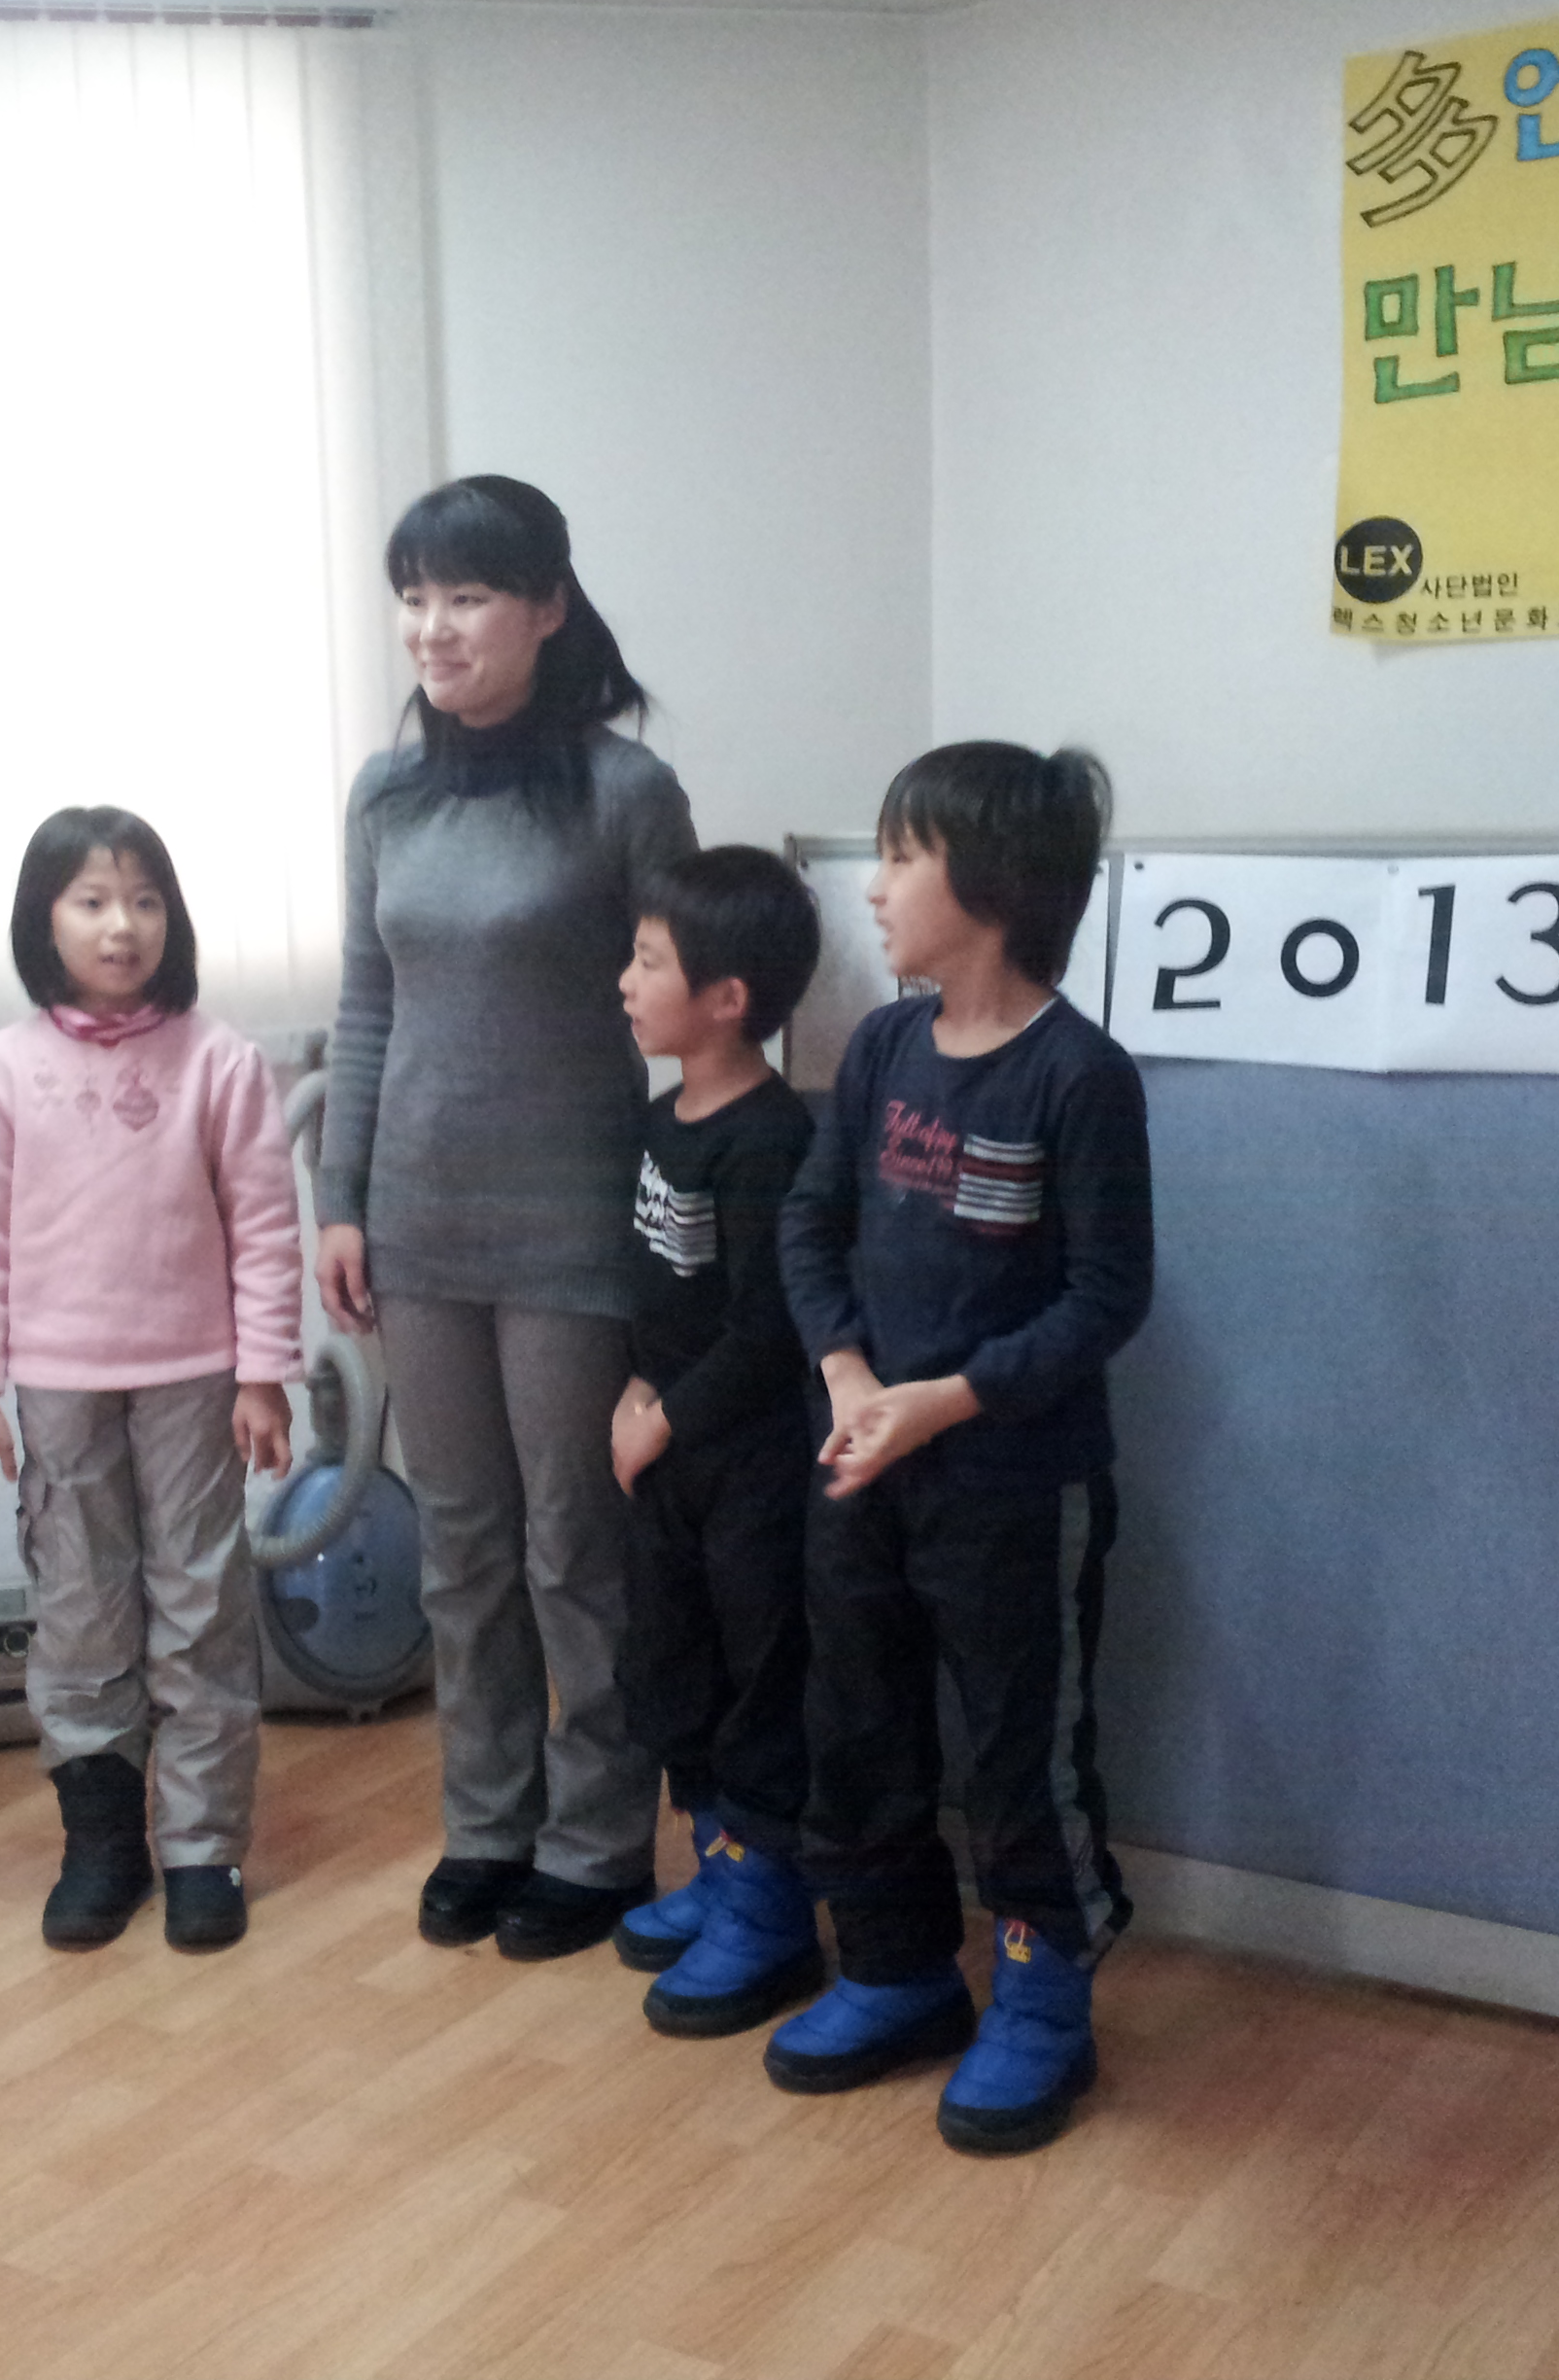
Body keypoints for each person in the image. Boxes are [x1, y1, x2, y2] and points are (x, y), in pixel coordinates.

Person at [316, 474, 699, 1958]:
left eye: (466, 595)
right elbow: (367, 1003)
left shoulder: (624, 790)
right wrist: (341, 1200)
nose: (433, 626)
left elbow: (688, 998)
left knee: (573, 1544)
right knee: (462, 1546)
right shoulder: (384, 794)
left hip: (571, 1221)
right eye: (413, 597)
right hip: (418, 1220)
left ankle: (596, 1841)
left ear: (545, 607)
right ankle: (486, 1823)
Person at [766, 742, 1152, 2157]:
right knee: (858, 1724)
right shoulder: (881, 1048)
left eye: (900, 858)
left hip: (1011, 1487)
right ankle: (895, 1970)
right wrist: (850, 1375)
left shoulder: (1080, 1076)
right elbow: (810, 1225)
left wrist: (947, 1400)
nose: (872, 889)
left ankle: (1043, 1999)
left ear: (988, 886)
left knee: (1015, 1748)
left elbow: (1105, 1299)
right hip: (860, 1464)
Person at [0, 808, 299, 1953]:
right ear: (45, 920)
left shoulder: (220, 1062)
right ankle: (101, 1842)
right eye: (91, 900)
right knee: (81, 1610)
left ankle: (201, 1847)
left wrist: (265, 1374)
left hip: (196, 1379)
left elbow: (265, 1229)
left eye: (143, 899)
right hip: (57, 1389)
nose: (121, 925)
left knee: (199, 1606)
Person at [603, 848, 829, 2037]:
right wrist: (638, 1390)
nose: (627, 982)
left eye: (649, 963)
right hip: (668, 1461)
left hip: (746, 1470)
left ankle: (770, 1911)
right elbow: (658, 1296)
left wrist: (669, 1418)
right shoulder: (659, 1122)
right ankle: (718, 1867)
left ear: (727, 998)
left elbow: (767, 1329)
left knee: (755, 1685)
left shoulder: (772, 1139)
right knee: (672, 1668)